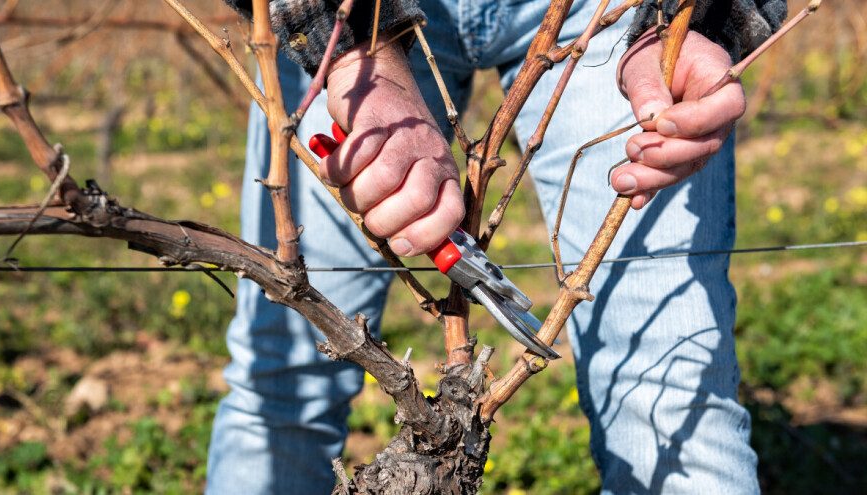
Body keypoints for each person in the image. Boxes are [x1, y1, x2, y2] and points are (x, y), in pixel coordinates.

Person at [208, 0, 787, 493]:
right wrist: (355, 44)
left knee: (673, 388)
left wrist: (692, 19)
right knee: (284, 376)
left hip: (613, 9)